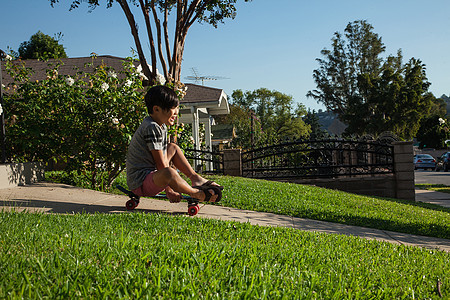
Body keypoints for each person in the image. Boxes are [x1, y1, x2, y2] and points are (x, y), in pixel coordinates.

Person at [126, 85, 222, 203]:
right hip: (140, 182)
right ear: (156, 109)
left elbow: (163, 156)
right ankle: (198, 194)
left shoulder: (161, 126)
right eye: (173, 108)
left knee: (173, 148)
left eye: (177, 107)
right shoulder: (151, 127)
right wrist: (169, 189)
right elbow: (161, 164)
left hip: (152, 176)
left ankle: (195, 178)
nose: (176, 112)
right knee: (169, 172)